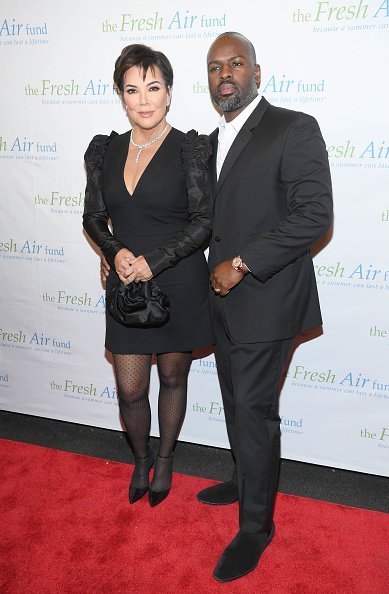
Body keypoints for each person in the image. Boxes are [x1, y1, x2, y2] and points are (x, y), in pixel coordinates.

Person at [195, 32, 333, 582]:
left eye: (235, 63)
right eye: (214, 67)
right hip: (223, 305)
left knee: (255, 412)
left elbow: (313, 215)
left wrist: (244, 263)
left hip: (267, 298)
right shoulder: (210, 140)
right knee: (234, 401)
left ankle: (257, 528)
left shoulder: (292, 127)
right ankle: (245, 477)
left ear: (256, 70)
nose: (224, 74)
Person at [83, 44, 214, 508]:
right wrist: (114, 251)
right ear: (121, 95)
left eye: (153, 88)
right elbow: (94, 216)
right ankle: (140, 458)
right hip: (125, 285)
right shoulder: (104, 150)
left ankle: (166, 457)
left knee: (173, 380)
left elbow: (204, 220)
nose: (144, 99)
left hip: (178, 281)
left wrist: (153, 261)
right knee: (130, 388)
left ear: (169, 93)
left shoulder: (190, 149)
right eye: (132, 89)